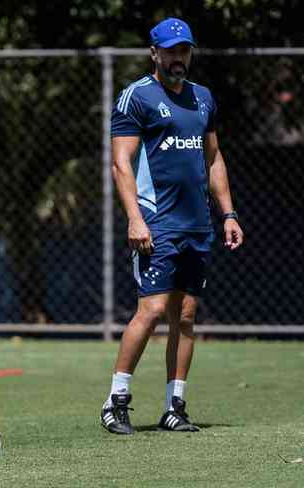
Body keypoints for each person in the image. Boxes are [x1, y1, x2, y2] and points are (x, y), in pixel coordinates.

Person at [100, 18, 244, 435]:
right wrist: (135, 218)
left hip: (197, 224)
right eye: (170, 51)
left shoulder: (203, 99)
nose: (178, 57)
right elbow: (120, 162)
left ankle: (174, 405)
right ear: (154, 54)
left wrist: (228, 214)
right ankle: (117, 401)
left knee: (185, 314)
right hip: (156, 223)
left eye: (184, 50)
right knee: (153, 310)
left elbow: (213, 159)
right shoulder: (136, 98)